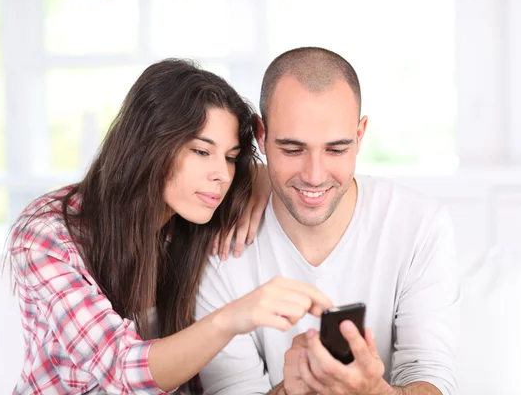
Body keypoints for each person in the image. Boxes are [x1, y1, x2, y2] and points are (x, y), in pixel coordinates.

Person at [6, 59, 332, 395]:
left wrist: (263, 179)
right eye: (202, 151)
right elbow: (121, 371)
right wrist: (234, 317)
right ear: (149, 145)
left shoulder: (192, 221)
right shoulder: (47, 236)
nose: (221, 173)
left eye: (231, 157)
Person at [195, 47, 461, 395]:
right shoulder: (220, 246)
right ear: (260, 135)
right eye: (292, 150)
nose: (315, 176)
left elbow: (433, 376)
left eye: (336, 150)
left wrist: (373, 392)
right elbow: (231, 388)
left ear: (360, 135)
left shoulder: (420, 227)